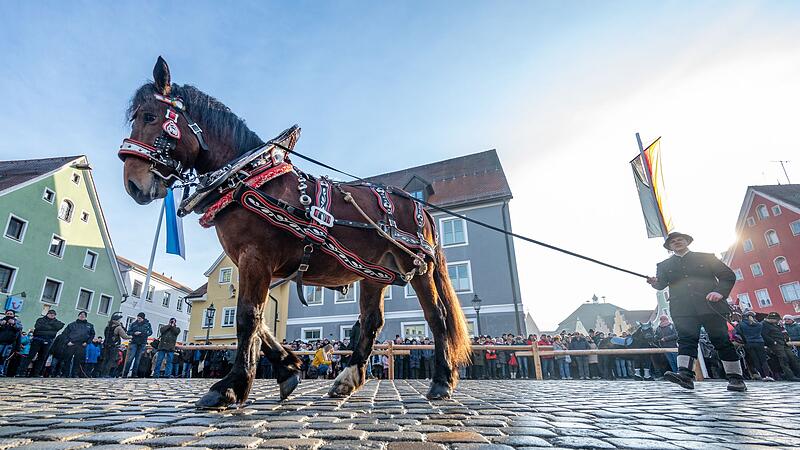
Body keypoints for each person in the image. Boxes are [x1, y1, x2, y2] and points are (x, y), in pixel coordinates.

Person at [647, 232, 745, 391]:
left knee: (720, 340)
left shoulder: (706, 257)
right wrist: (654, 283)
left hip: (710, 305)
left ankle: (735, 378)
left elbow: (727, 276)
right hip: (683, 309)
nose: (677, 242)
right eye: (673, 241)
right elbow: (661, 284)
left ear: (687, 242)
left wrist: (720, 292)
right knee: (686, 340)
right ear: (669, 247)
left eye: (680, 240)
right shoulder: (664, 265)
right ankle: (685, 376)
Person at [761, 312, 800, 381]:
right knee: (783, 359)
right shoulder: (764, 324)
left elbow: (782, 331)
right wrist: (773, 342)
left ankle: (798, 373)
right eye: (777, 320)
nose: (778, 321)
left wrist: (786, 338)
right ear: (772, 319)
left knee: (793, 357)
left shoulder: (775, 324)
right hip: (775, 344)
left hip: (783, 343)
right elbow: (764, 335)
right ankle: (790, 376)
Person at [735, 311, 771, 381]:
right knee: (763, 360)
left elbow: (737, 334)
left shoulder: (741, 324)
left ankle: (762, 375)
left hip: (749, 343)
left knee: (756, 360)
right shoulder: (759, 324)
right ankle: (767, 375)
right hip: (760, 342)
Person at [27, 309, 64, 377]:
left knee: (42, 358)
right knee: (30, 356)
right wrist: (51, 328)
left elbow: (60, 326)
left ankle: (36, 373)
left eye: (53, 315)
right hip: (37, 339)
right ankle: (21, 372)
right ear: (47, 314)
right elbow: (37, 327)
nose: (51, 315)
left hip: (48, 341)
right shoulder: (40, 320)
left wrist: (46, 326)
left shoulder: (57, 322)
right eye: (50, 314)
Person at [60, 311, 96, 377]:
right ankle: (65, 374)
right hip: (71, 344)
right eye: (81, 315)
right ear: (78, 316)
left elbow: (92, 335)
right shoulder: (71, 325)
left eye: (84, 315)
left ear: (86, 317)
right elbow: (64, 334)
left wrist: (87, 342)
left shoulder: (90, 326)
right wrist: (67, 342)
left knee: (78, 361)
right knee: (67, 359)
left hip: (82, 345)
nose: (82, 316)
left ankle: (75, 374)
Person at [100, 313, 130, 377]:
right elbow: (124, 336)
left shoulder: (107, 327)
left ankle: (102, 374)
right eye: (119, 320)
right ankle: (106, 374)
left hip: (106, 345)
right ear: (115, 320)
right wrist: (132, 337)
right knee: (111, 360)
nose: (120, 321)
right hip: (113, 346)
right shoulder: (118, 327)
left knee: (105, 359)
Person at [124, 312, 152, 377]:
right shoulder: (134, 324)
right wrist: (134, 333)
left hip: (142, 342)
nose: (138, 319)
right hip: (134, 342)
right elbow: (128, 332)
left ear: (143, 318)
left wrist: (142, 333)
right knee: (130, 358)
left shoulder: (147, 324)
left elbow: (150, 332)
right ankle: (125, 373)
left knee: (138, 359)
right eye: (138, 318)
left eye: (140, 318)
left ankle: (134, 374)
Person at [0, 312, 22, 376]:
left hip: (10, 344)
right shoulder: (2, 321)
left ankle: (2, 372)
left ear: (13, 315)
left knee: (5, 358)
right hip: (1, 342)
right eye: (8, 313)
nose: (9, 315)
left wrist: (14, 323)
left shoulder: (17, 322)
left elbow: (19, 328)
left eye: (11, 314)